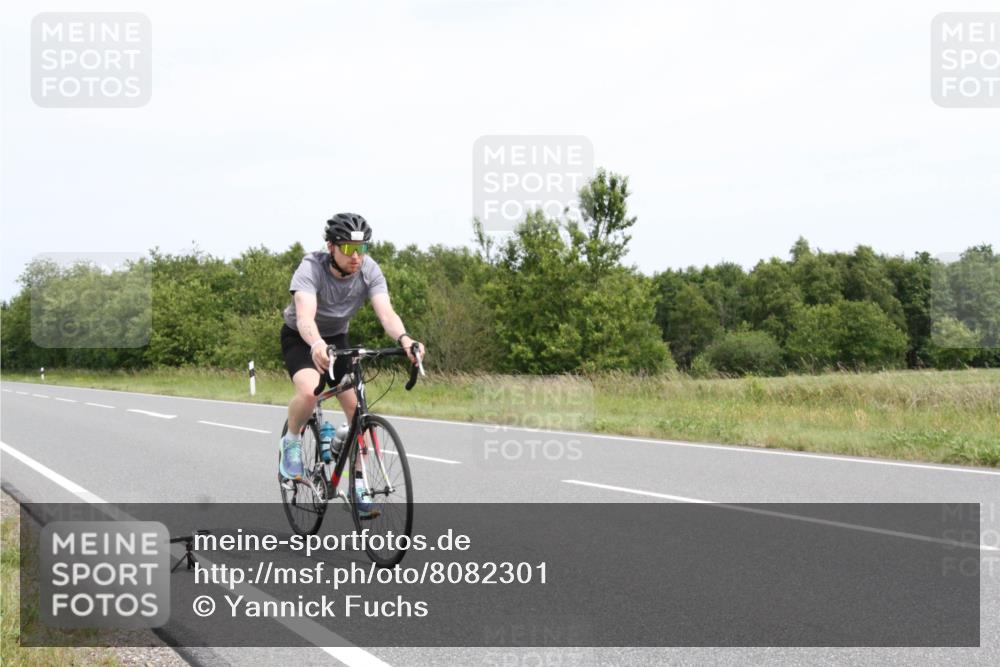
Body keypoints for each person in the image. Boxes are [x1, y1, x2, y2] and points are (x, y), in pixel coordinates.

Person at [278, 212, 425, 512]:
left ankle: (358, 485)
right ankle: (291, 441)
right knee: (309, 392)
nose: (356, 256)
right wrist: (316, 344)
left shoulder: (369, 270)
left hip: (337, 339)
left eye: (362, 248)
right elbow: (305, 317)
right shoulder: (311, 268)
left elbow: (386, 313)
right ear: (331, 247)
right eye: (347, 248)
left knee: (359, 414)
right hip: (302, 338)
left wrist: (405, 340)